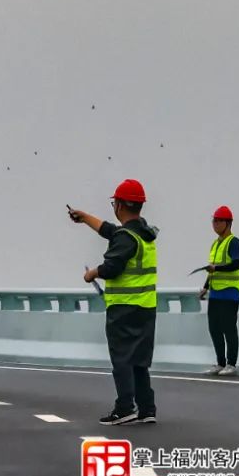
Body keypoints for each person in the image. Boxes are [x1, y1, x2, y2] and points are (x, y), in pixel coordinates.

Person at [69, 179, 158, 425]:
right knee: (139, 360)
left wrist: (92, 273)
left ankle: (125, 407)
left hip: (124, 308)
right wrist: (85, 217)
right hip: (146, 307)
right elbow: (110, 230)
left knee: (122, 359)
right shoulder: (143, 233)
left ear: (119, 205)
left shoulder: (126, 238)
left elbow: (112, 267)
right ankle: (147, 408)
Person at [201, 205, 239, 377]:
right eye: (214, 221)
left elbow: (237, 263)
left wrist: (216, 267)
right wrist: (205, 287)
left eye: (218, 221)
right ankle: (220, 363)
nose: (215, 224)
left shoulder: (233, 241)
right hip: (216, 292)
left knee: (228, 328)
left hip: (230, 292)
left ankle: (231, 363)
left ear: (228, 223)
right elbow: (213, 270)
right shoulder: (215, 244)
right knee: (214, 328)